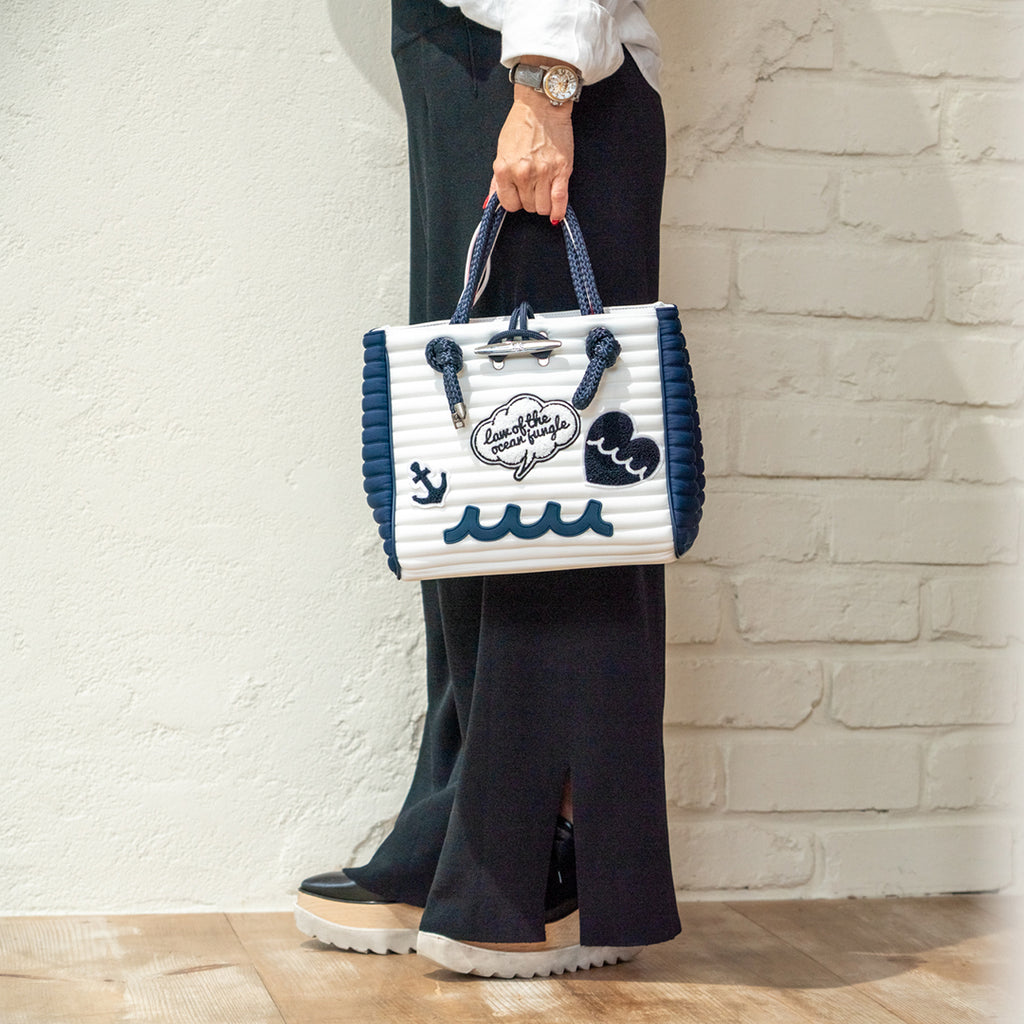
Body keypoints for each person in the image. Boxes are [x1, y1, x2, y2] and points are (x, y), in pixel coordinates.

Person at [294, 0, 680, 978]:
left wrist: (548, 78)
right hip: (470, 71)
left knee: (559, 515)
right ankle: (461, 831)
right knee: (479, 503)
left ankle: (551, 857)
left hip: (542, 72)